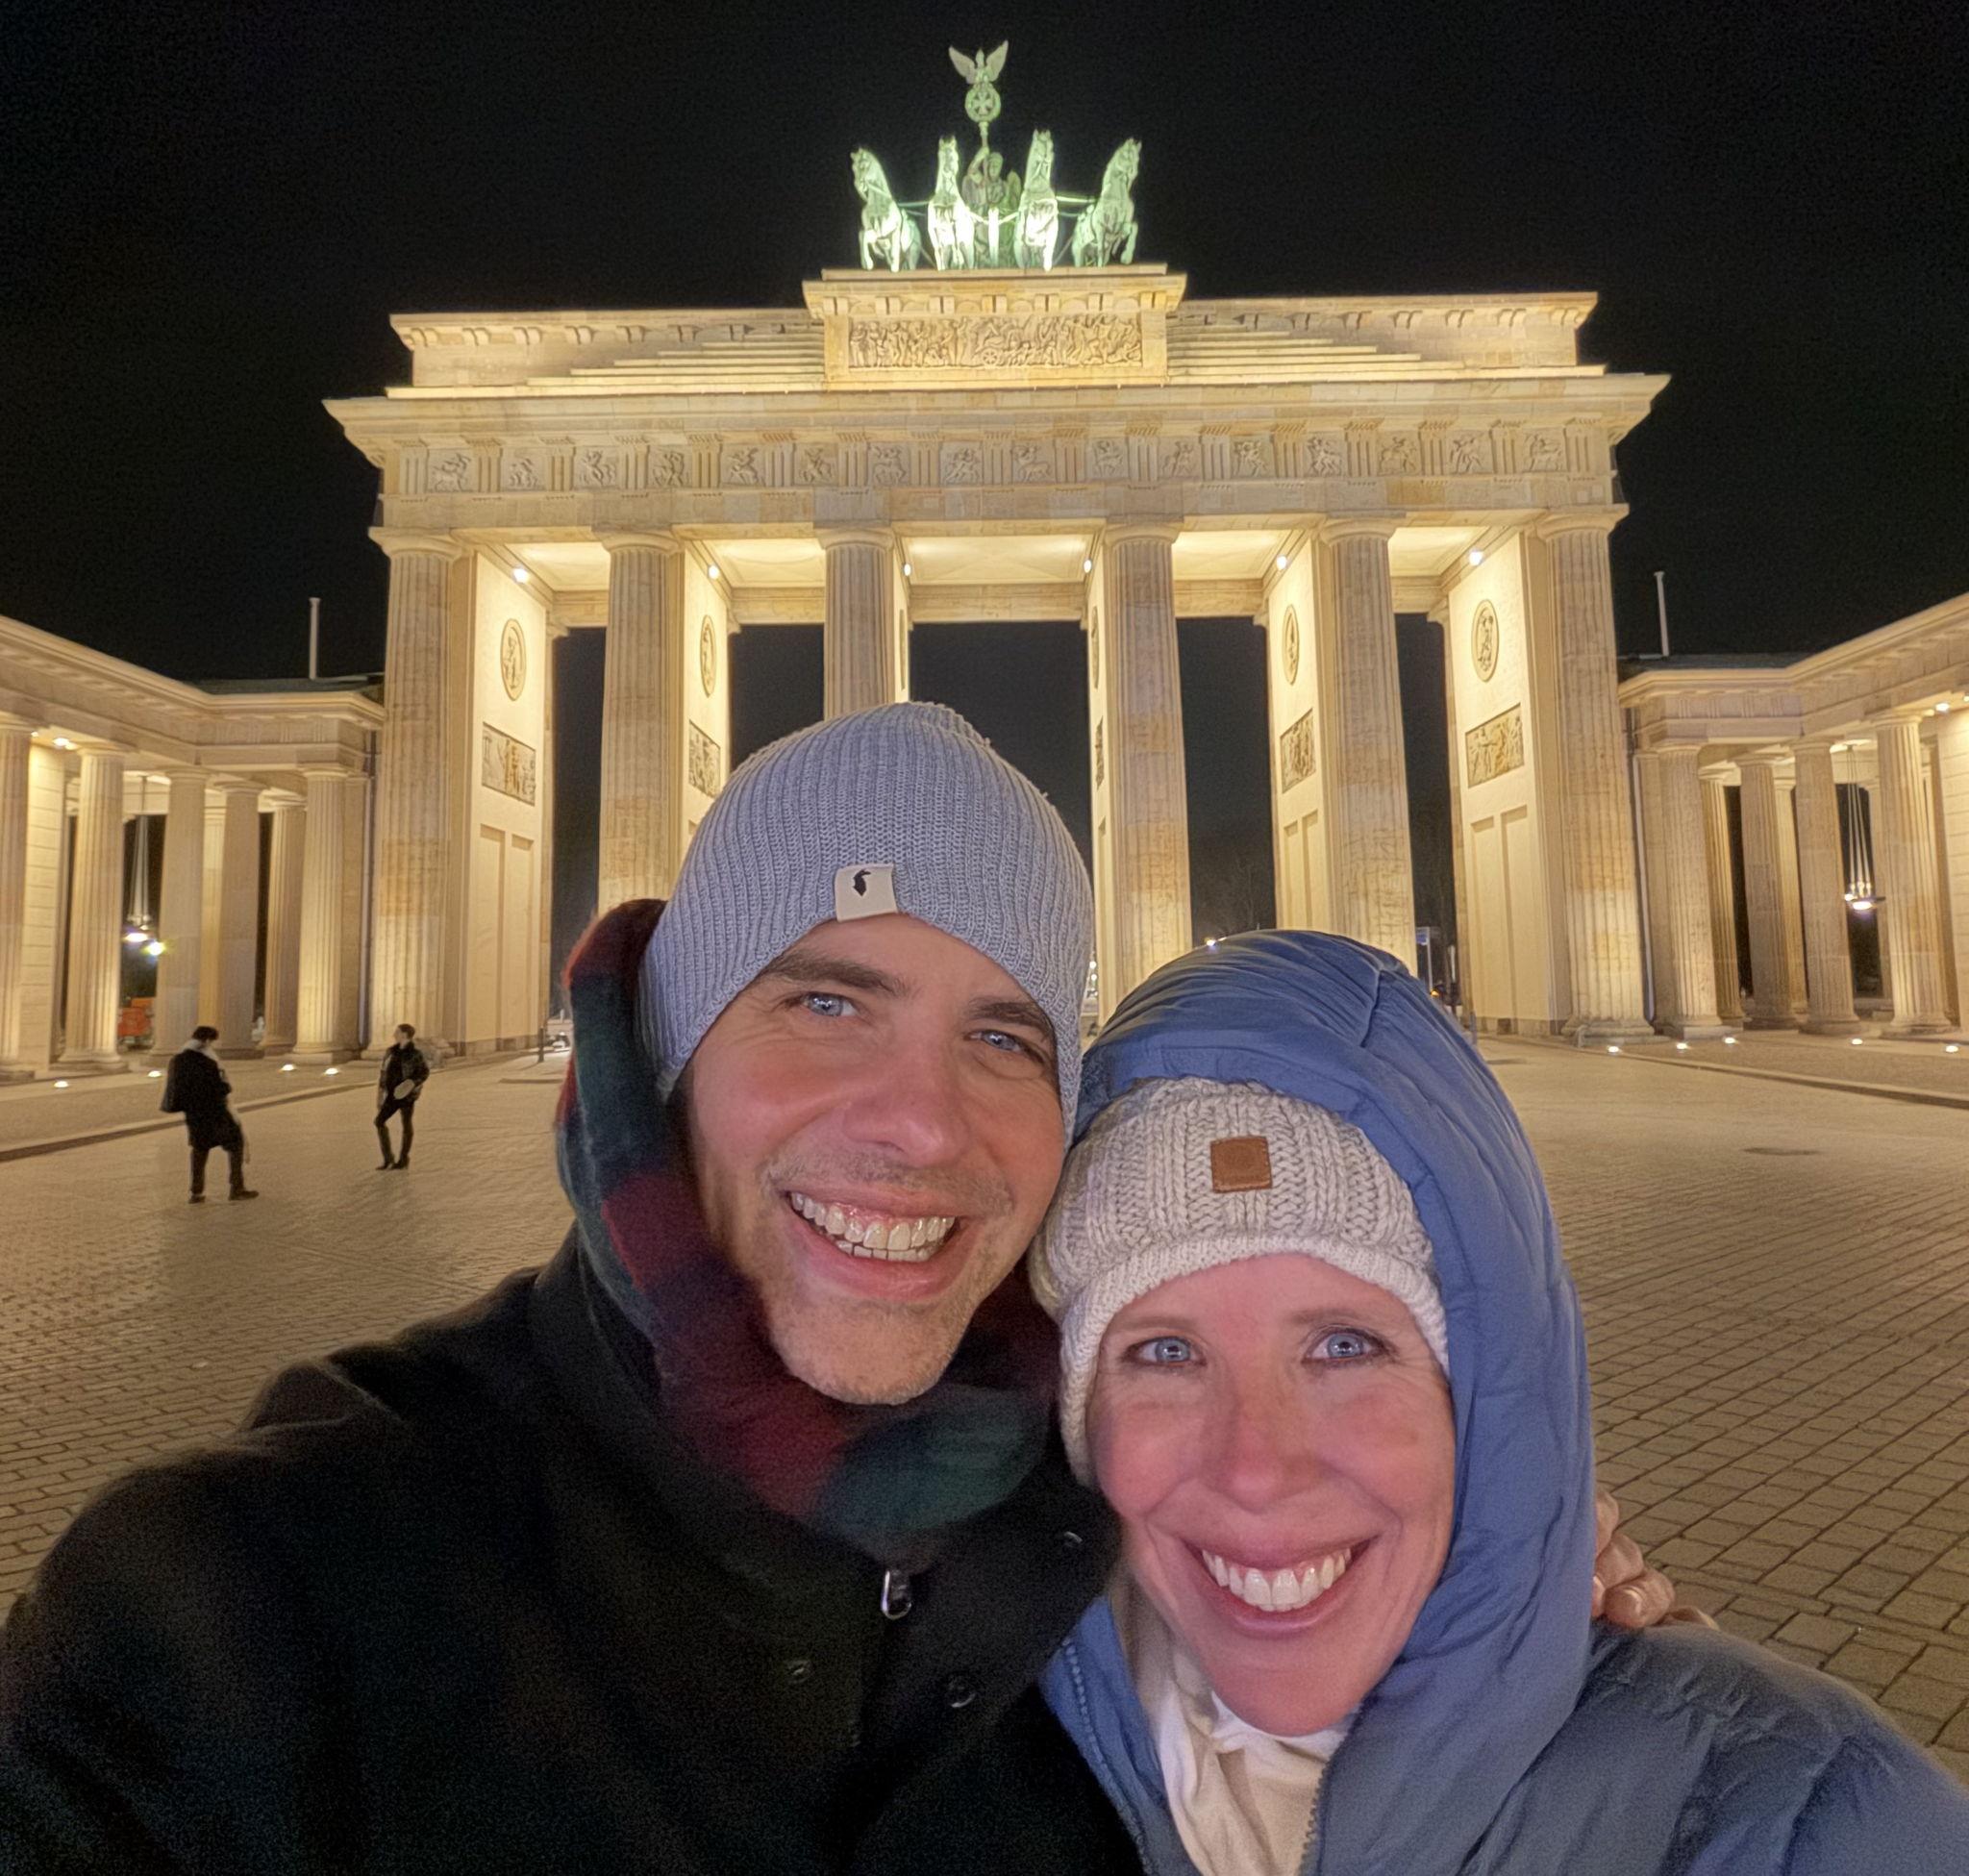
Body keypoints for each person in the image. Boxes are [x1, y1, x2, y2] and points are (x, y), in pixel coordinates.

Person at [0, 705, 1672, 1874]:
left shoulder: (1136, 1559)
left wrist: (1508, 1588)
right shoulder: (256, 1594)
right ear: (660, 1054)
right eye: (822, 1003)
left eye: (1005, 1035)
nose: (920, 1122)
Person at [1034, 929, 1969, 1874]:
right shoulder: (960, 1744)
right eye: (1161, 1351)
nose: (1255, 1468)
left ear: (1487, 1389)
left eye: (1346, 1345)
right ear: (1072, 1407)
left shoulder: (1810, 1824)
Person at [158, 1024, 258, 1204]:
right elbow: (221, 1087)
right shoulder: (207, 1061)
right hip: (216, 1113)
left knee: (199, 1150)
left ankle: (196, 1192)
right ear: (207, 1040)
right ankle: (237, 1188)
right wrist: (226, 1087)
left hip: (194, 1115)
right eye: (212, 1041)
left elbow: (175, 1089)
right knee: (236, 1144)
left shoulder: (178, 1059)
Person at [374, 1022, 429, 1170]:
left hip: (406, 1095)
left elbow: (424, 1073)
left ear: (405, 1035)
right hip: (391, 1094)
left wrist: (411, 1083)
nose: (394, 1035)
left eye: (397, 1032)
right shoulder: (390, 1052)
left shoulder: (415, 1054)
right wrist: (380, 1092)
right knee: (379, 1121)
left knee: (406, 1125)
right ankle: (388, 1158)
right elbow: (383, 1072)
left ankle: (403, 1159)